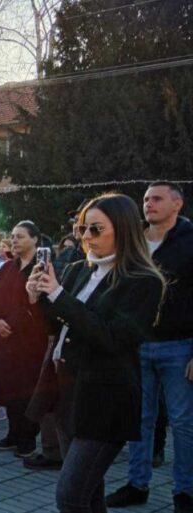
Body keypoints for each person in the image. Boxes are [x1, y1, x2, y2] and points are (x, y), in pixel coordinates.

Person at [26, 193, 164, 513]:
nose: (86, 237)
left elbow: (112, 338)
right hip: (67, 391)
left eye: (96, 229)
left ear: (124, 229)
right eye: (82, 229)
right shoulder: (78, 269)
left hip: (106, 399)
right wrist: (35, 299)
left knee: (70, 495)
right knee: (89, 494)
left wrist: (58, 295)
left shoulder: (142, 280)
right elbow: (57, 328)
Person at [107, 182, 193, 512]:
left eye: (156, 199)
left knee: (184, 424)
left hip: (179, 346)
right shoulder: (136, 242)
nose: (148, 204)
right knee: (138, 420)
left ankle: (184, 492)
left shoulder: (189, 243)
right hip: (137, 344)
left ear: (177, 204)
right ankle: (136, 484)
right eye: (145, 199)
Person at [0, 221, 48, 456]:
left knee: (27, 390)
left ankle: (28, 438)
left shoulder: (42, 268)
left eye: (20, 236)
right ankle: (12, 433)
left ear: (35, 239)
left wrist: (11, 322)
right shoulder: (6, 268)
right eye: (13, 236)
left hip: (29, 340)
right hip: (4, 341)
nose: (14, 240)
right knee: (9, 389)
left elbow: (36, 304)